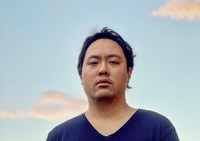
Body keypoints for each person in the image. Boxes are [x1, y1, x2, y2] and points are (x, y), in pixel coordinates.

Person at [46, 27, 179, 140]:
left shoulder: (158, 129)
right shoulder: (59, 136)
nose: (103, 69)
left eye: (113, 62)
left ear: (129, 72)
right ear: (80, 74)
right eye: (93, 63)